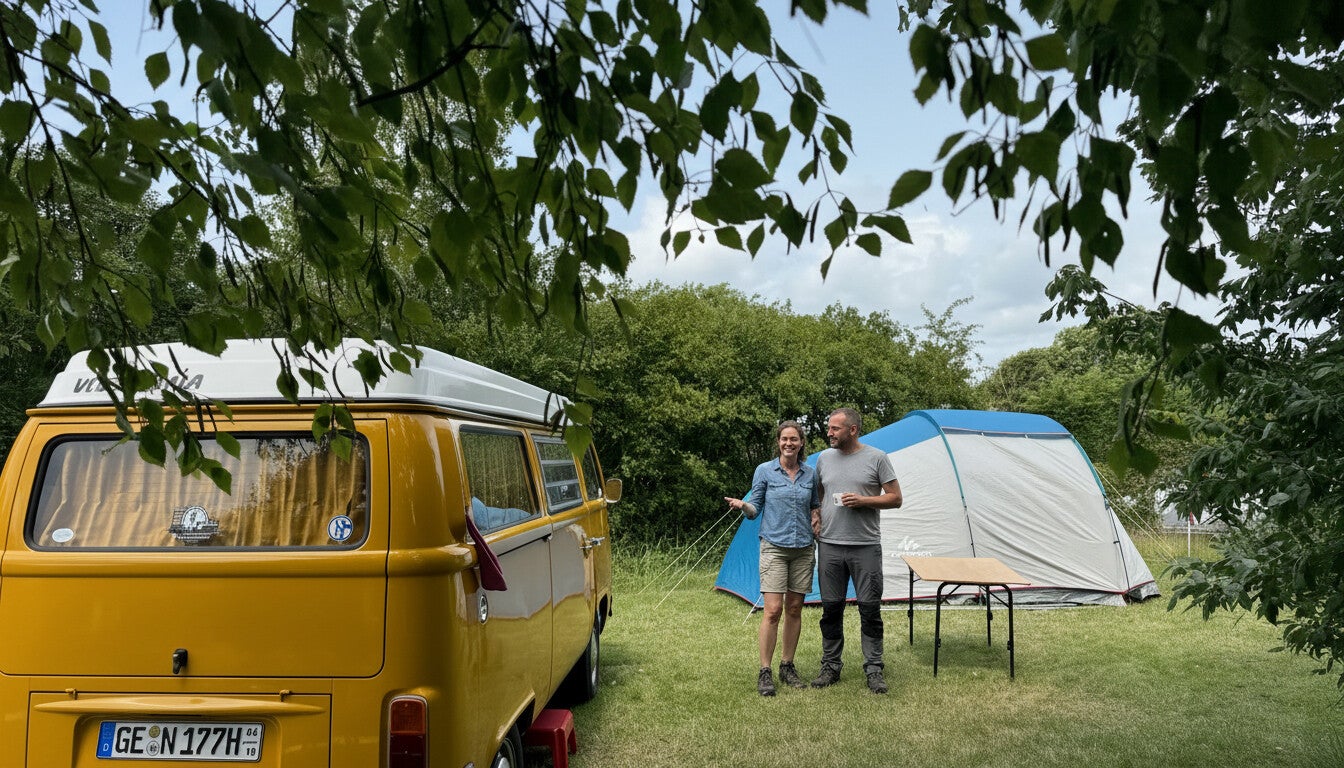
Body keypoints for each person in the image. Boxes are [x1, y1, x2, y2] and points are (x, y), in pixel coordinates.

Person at [810, 407, 903, 694]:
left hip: (865, 546)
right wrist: (816, 514)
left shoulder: (877, 458)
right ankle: (830, 666)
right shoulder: (824, 458)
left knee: (870, 609)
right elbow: (820, 494)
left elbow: (896, 498)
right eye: (829, 428)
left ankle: (874, 669)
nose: (829, 433)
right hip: (830, 545)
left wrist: (863, 500)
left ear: (852, 430)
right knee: (831, 609)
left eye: (835, 428)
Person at [725, 420, 819, 697]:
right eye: (784, 439)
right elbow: (755, 509)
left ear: (801, 443)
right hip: (774, 547)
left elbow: (814, 506)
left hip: (803, 548)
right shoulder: (764, 471)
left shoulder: (810, 474)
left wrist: (817, 519)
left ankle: (787, 665)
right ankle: (765, 670)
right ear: (778, 442)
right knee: (773, 610)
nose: (789, 443)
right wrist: (744, 506)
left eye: (794, 439)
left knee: (794, 609)